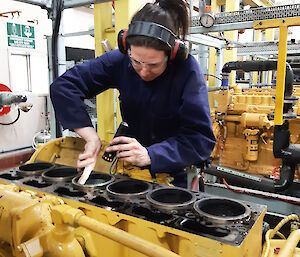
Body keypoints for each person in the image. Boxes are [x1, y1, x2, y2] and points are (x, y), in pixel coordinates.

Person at [50, 0, 216, 188]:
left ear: (172, 55)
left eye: (153, 65)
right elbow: (64, 86)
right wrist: (90, 137)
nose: (143, 71)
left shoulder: (187, 70)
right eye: (136, 61)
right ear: (126, 47)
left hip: (173, 170)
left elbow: (200, 139)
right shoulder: (119, 60)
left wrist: (151, 155)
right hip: (130, 167)